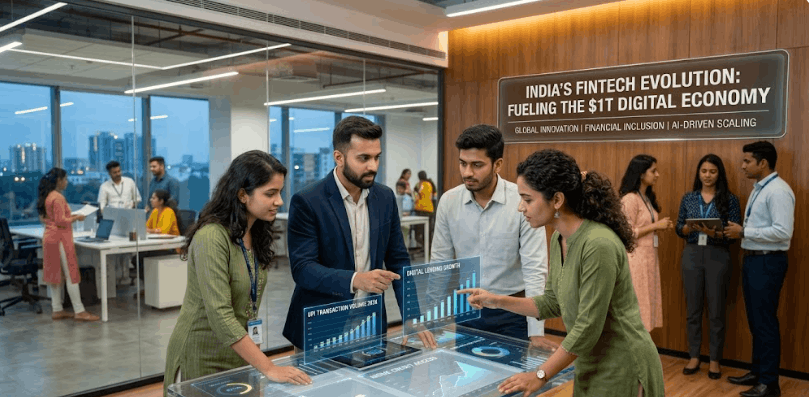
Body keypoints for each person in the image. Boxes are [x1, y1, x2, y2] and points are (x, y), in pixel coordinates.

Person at [460, 149, 664, 397]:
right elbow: (552, 302)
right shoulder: (559, 237)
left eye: (527, 199)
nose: (520, 208)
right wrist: (496, 300)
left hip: (624, 363)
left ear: (557, 200)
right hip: (590, 360)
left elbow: (587, 328)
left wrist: (539, 375)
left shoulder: (599, 243)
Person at [282, 116, 435, 350]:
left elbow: (398, 260)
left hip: (370, 326)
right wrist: (356, 280)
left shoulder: (384, 198)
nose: (373, 166)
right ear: (339, 157)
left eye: (376, 157)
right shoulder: (308, 201)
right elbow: (303, 270)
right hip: (320, 328)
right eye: (363, 158)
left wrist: (411, 314)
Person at [164, 151, 310, 395]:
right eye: (270, 193)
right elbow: (220, 315)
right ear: (242, 194)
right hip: (202, 355)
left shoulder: (256, 233)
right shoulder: (211, 237)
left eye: (280, 193)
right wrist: (269, 367)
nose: (279, 201)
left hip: (239, 352)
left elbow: (246, 304)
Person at [431, 124, 554, 349]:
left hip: (512, 310)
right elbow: (440, 262)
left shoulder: (522, 201)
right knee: (467, 379)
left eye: (477, 165)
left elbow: (535, 268)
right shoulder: (449, 202)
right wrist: (431, 317)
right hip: (467, 308)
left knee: (509, 380)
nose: (467, 172)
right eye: (463, 163)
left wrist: (536, 330)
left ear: (497, 164)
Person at [725, 141, 794, 397]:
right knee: (756, 320)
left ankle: (769, 383)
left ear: (762, 163)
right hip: (754, 259)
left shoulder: (777, 191)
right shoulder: (759, 189)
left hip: (768, 261)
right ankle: (758, 372)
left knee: (765, 322)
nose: (742, 166)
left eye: (747, 161)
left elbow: (783, 231)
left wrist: (744, 231)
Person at [675, 154, 741, 380]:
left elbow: (733, 235)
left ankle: (715, 360)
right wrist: (688, 229)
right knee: (692, 310)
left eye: (712, 171)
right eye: (704, 171)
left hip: (718, 255)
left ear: (719, 174)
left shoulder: (730, 200)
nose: (708, 175)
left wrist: (716, 233)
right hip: (692, 253)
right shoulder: (689, 198)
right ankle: (694, 356)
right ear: (698, 173)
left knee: (716, 311)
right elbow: (678, 227)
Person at [37, 168, 100, 322]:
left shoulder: (47, 196)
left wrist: (71, 216)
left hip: (50, 237)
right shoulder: (58, 197)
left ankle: (57, 309)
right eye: (65, 179)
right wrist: (77, 218)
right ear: (59, 180)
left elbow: (49, 219)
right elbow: (61, 221)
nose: (67, 182)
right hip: (60, 239)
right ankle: (79, 311)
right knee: (71, 274)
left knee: (55, 275)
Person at [618, 154, 671, 332]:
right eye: (653, 171)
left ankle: (642, 352)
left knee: (647, 304)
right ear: (641, 174)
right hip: (636, 260)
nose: (657, 175)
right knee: (638, 306)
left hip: (649, 259)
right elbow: (625, 233)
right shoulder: (630, 199)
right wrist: (656, 225)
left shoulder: (646, 197)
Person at [97, 160, 142, 285]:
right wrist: (111, 211)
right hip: (113, 221)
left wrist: (132, 204)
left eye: (119, 171)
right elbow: (102, 206)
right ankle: (116, 278)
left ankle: (126, 276)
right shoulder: (104, 186)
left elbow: (137, 198)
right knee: (115, 249)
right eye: (114, 172)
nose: (118, 174)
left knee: (128, 249)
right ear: (109, 173)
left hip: (128, 218)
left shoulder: (129, 182)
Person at [413, 170, 436, 250]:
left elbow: (415, 198)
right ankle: (428, 249)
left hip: (419, 210)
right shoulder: (431, 184)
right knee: (428, 231)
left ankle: (425, 247)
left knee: (418, 233)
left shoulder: (417, 185)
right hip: (430, 210)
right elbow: (434, 197)